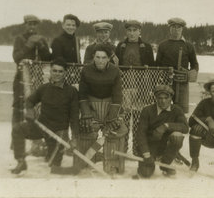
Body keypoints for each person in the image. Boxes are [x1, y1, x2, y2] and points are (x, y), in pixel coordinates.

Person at [10, 57, 79, 175]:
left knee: (54, 167)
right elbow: (30, 101)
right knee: (17, 129)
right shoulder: (44, 88)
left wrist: (74, 138)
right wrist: (30, 111)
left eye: (60, 71)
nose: (57, 74)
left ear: (65, 73)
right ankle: (21, 162)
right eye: (54, 71)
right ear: (50, 71)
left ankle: (61, 162)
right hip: (42, 126)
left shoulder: (71, 92)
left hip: (58, 132)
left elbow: (74, 117)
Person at [77, 44, 127, 174]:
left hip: (109, 107)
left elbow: (117, 96)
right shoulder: (86, 70)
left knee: (115, 132)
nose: (100, 60)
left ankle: (112, 163)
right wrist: (86, 114)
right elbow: (82, 94)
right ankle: (86, 162)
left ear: (108, 59)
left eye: (103, 57)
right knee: (86, 129)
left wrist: (112, 117)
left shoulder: (115, 71)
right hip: (92, 107)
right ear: (93, 57)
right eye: (98, 57)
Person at [11, 15, 51, 155]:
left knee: (37, 109)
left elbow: (48, 59)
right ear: (25, 25)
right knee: (18, 108)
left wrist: (41, 45)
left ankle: (37, 143)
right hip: (21, 79)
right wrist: (29, 45)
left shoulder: (41, 39)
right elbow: (16, 58)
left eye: (34, 24)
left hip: (37, 80)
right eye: (29, 24)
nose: (32, 27)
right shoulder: (19, 39)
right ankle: (15, 142)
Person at [115, 20, 155, 154]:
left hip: (141, 87)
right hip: (125, 87)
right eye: (129, 30)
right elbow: (116, 66)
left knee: (139, 119)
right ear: (126, 32)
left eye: (135, 30)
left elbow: (152, 68)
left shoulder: (146, 47)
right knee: (124, 118)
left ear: (139, 32)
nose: (132, 33)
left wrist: (149, 87)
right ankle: (123, 147)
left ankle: (137, 148)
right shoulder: (121, 46)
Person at [136, 85, 188, 178]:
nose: (163, 101)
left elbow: (185, 127)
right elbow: (141, 133)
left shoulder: (177, 110)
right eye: (160, 98)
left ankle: (166, 163)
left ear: (170, 98)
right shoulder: (147, 110)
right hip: (150, 144)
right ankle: (151, 160)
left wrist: (166, 126)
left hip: (166, 145)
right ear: (155, 98)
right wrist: (146, 154)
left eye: (166, 98)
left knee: (177, 136)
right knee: (145, 174)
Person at [156, 17, 199, 113]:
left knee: (180, 110)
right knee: (163, 108)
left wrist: (188, 75)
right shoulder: (163, 45)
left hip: (182, 83)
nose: (176, 30)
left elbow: (194, 65)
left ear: (182, 29)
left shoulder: (188, 45)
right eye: (173, 27)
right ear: (170, 29)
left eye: (178, 27)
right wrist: (160, 77)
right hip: (165, 82)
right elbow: (157, 65)